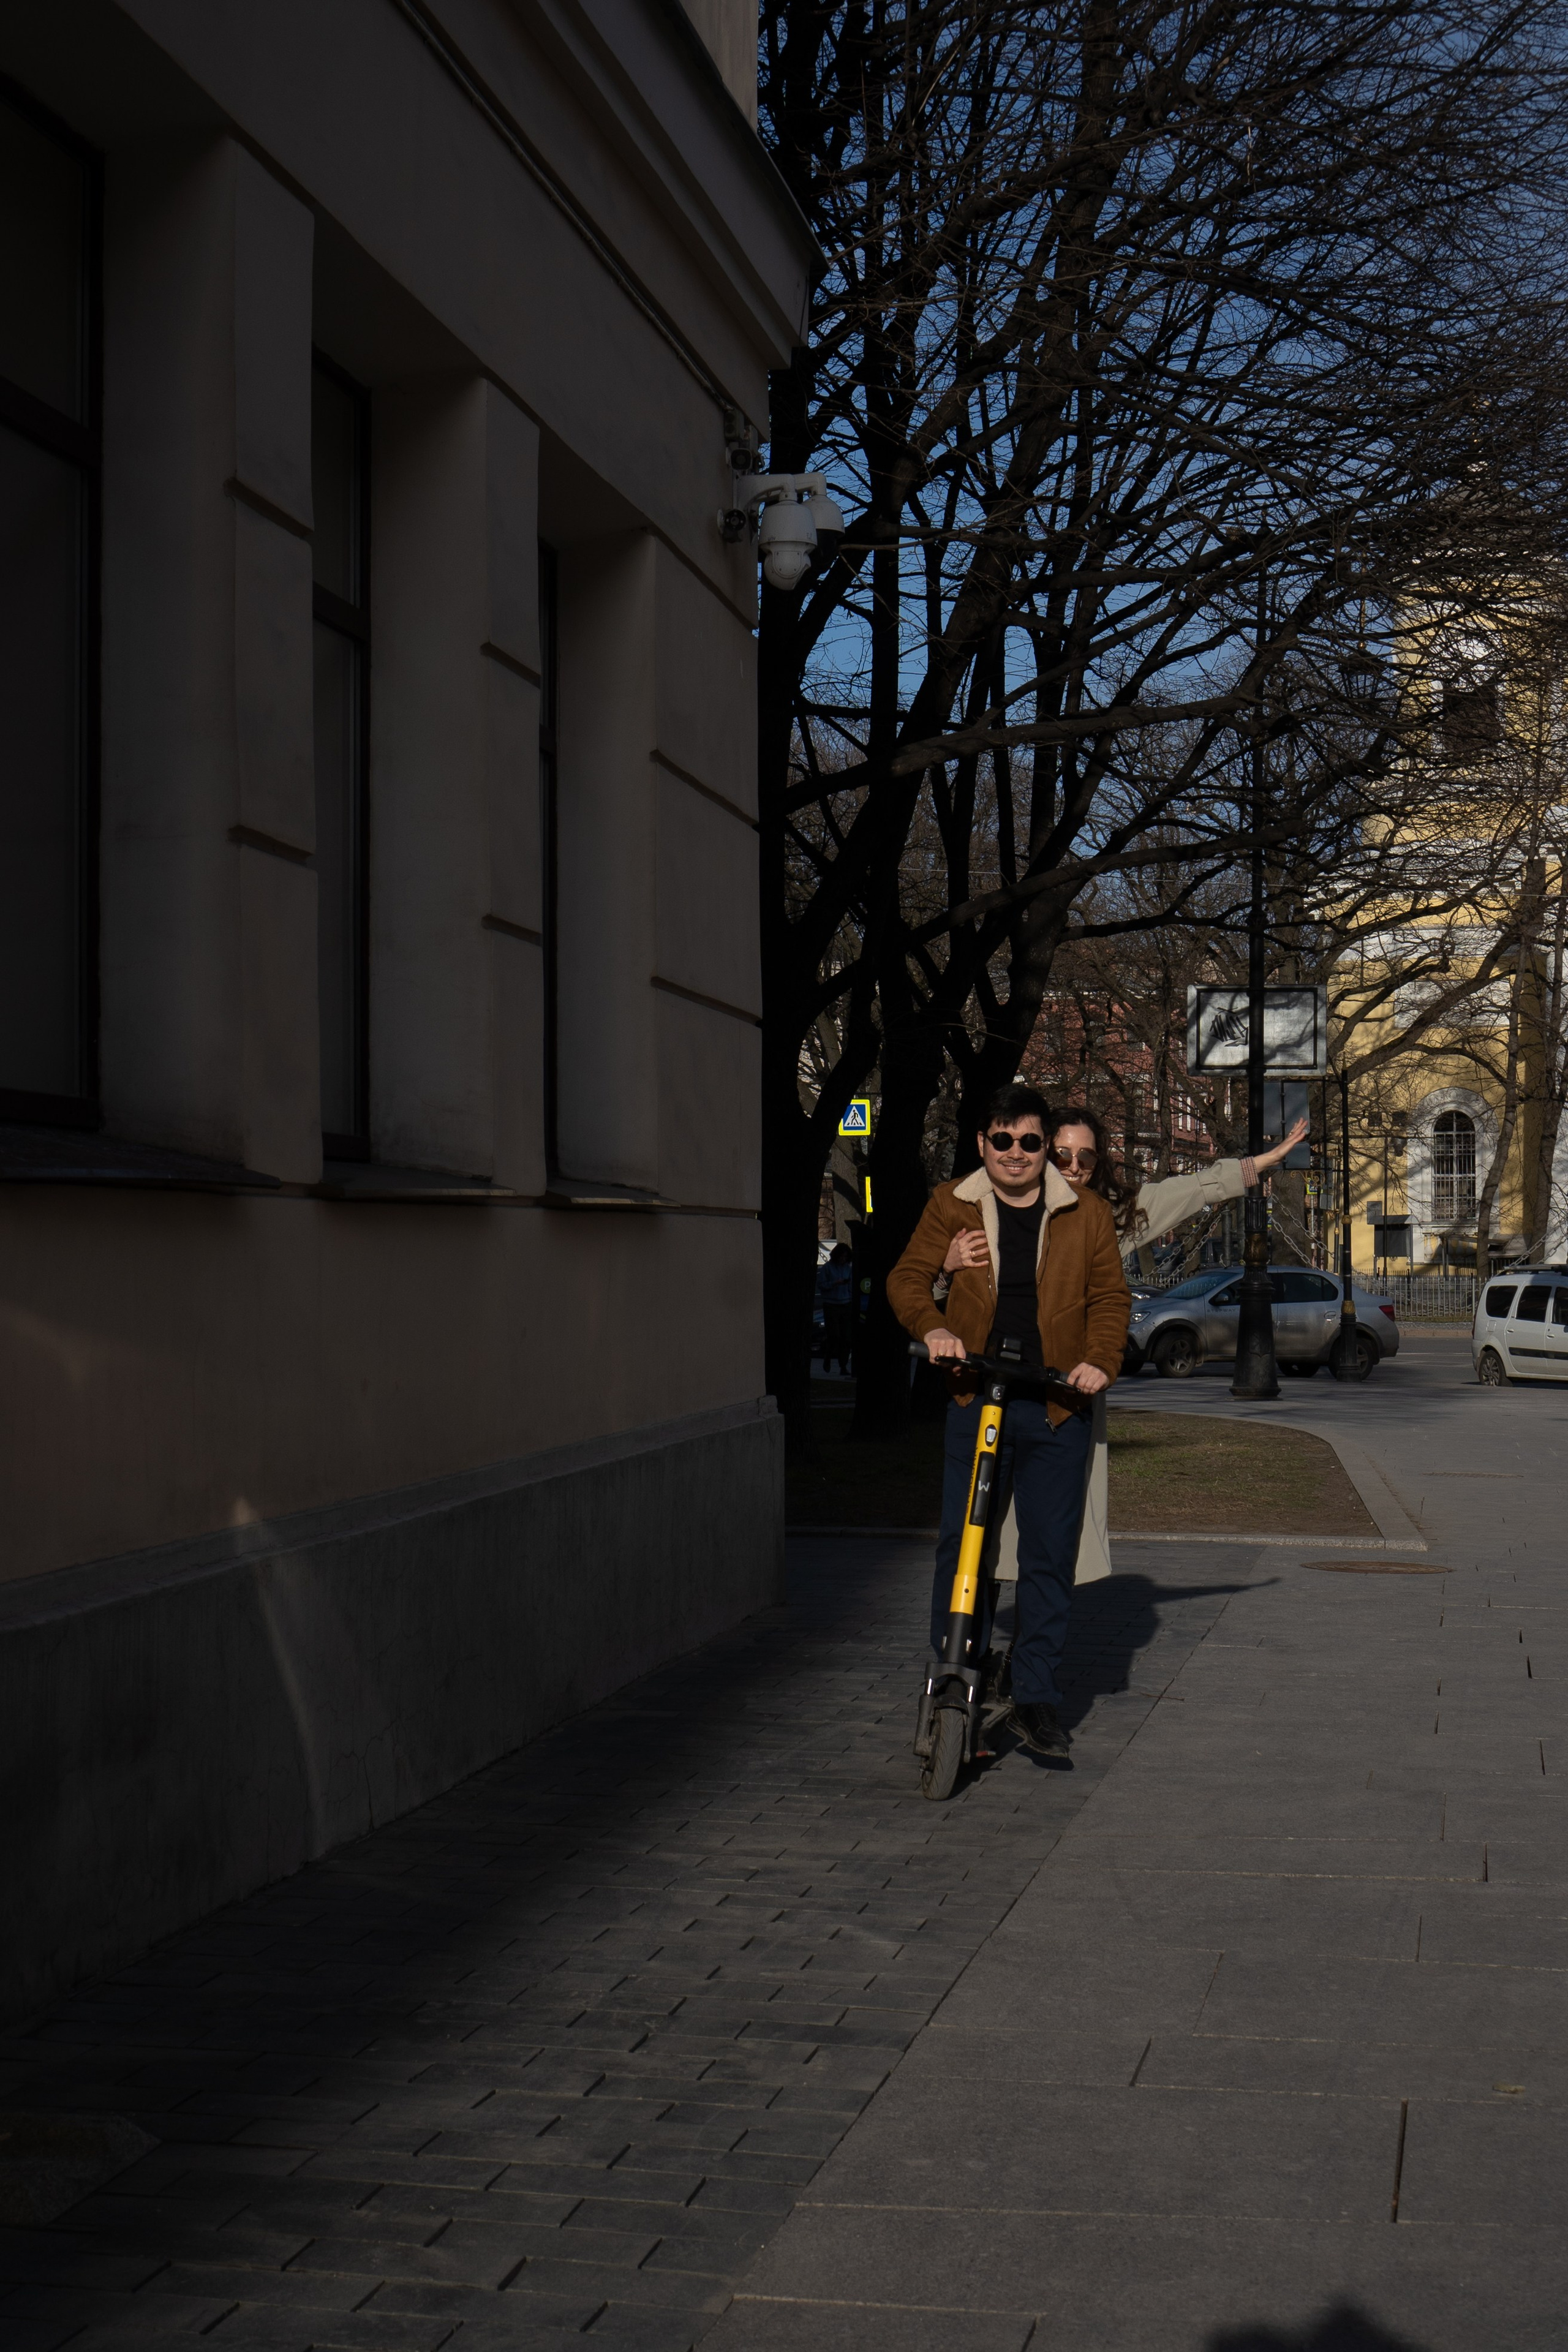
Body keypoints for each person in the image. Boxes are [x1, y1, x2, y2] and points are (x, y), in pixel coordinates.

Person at [887, 1083, 1130, 1757]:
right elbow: (905, 1279)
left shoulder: (1086, 1212)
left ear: (1043, 1146)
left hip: (1056, 1404)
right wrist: (935, 1328)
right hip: (976, 1395)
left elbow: (1110, 1297)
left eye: (1029, 1142)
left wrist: (1099, 1362)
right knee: (964, 1546)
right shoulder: (952, 1204)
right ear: (982, 1144)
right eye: (1002, 1140)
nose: (1016, 1154)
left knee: (1048, 1558)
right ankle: (954, 1677)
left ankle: (1034, 1696)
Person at [1038, 1103, 1311, 1581]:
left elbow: (1189, 1190)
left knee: (1055, 1533)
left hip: (1066, 1394)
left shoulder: (1108, 1219)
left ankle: (1032, 1645)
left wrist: (1263, 1163)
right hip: (999, 1389)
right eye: (1062, 1155)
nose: (1074, 1168)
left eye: (1086, 1158)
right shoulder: (996, 1207)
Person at [816, 1241, 854, 1374]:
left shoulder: (848, 1269)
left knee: (847, 1338)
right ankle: (828, 1355)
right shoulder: (827, 1268)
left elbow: (851, 1287)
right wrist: (835, 1283)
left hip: (845, 1304)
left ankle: (843, 1366)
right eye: (841, 1257)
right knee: (835, 1336)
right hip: (831, 1304)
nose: (843, 1260)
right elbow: (822, 1285)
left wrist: (850, 1299)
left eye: (845, 1257)